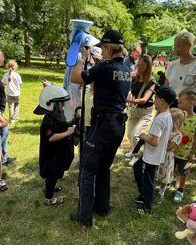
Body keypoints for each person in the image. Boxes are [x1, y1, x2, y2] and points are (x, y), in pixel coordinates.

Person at [69, 30, 131, 227]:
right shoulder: (126, 68)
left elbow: (76, 78)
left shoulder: (105, 67)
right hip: (118, 125)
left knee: (87, 170)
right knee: (104, 167)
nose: (100, 52)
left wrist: (81, 58)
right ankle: (102, 207)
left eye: (102, 48)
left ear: (107, 48)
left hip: (103, 125)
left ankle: (84, 216)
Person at [132, 86, 176, 213]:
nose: (153, 100)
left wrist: (142, 135)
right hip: (154, 154)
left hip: (152, 155)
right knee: (137, 167)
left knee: (148, 180)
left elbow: (154, 141)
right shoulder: (167, 115)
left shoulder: (160, 119)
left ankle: (146, 206)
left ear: (162, 101)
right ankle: (143, 194)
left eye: (155, 98)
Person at [34, 85, 74, 205]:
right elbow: (51, 137)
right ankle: (48, 198)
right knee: (52, 174)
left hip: (57, 153)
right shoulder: (49, 120)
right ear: (52, 104)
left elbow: (60, 126)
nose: (63, 105)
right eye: (61, 103)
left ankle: (50, 188)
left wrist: (72, 122)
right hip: (52, 155)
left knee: (55, 173)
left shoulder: (55, 117)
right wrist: (68, 132)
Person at [165, 31, 196, 116]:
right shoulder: (172, 65)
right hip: (172, 109)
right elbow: (166, 90)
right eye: (175, 45)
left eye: (178, 46)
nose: (175, 48)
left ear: (188, 46)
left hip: (189, 111)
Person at [173, 90, 196, 203]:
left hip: (186, 153)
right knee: (170, 168)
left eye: (181, 102)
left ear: (191, 103)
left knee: (183, 172)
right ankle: (165, 184)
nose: (178, 104)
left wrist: (192, 153)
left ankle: (180, 190)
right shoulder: (179, 116)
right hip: (173, 149)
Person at [125, 54, 156, 163]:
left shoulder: (152, 82)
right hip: (134, 111)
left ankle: (137, 156)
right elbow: (124, 75)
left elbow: (144, 100)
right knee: (129, 134)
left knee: (136, 134)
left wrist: (128, 100)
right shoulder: (135, 76)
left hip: (145, 112)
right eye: (138, 65)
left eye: (141, 66)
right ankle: (133, 150)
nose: (138, 68)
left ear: (147, 67)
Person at [157, 108, 186, 200]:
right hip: (160, 154)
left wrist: (161, 140)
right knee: (158, 172)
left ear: (176, 122)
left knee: (165, 175)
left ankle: (162, 192)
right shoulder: (167, 130)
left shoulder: (178, 135)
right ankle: (159, 186)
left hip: (167, 157)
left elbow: (169, 147)